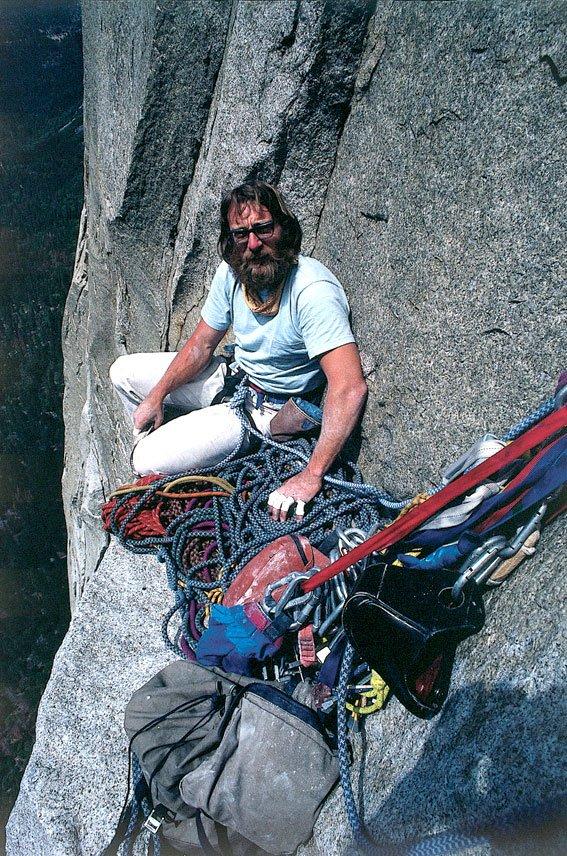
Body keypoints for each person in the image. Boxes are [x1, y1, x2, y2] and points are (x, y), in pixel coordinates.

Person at [109, 180, 368, 522]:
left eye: (264, 229)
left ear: (284, 229)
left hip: (262, 412)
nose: (254, 243)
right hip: (234, 379)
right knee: (121, 373)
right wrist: (157, 396)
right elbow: (201, 345)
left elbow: (349, 386)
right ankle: (176, 440)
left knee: (143, 460)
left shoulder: (312, 293)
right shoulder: (233, 274)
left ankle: (176, 457)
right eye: (241, 234)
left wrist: (312, 475)